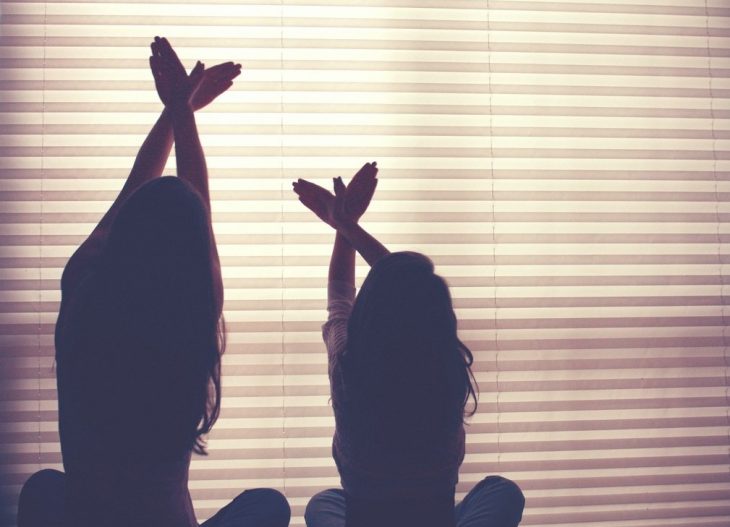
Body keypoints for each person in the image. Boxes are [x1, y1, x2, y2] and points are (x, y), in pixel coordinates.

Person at [16, 37, 290, 527]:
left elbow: (131, 199)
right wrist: (181, 112)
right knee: (270, 506)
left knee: (42, 487)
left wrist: (177, 110)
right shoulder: (188, 324)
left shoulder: (81, 300)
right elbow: (197, 213)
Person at [293, 165, 525, 527]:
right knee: (502, 492)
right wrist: (348, 225)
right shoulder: (447, 378)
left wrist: (345, 225)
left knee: (322, 504)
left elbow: (340, 297)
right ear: (440, 321)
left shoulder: (348, 373)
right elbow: (411, 292)